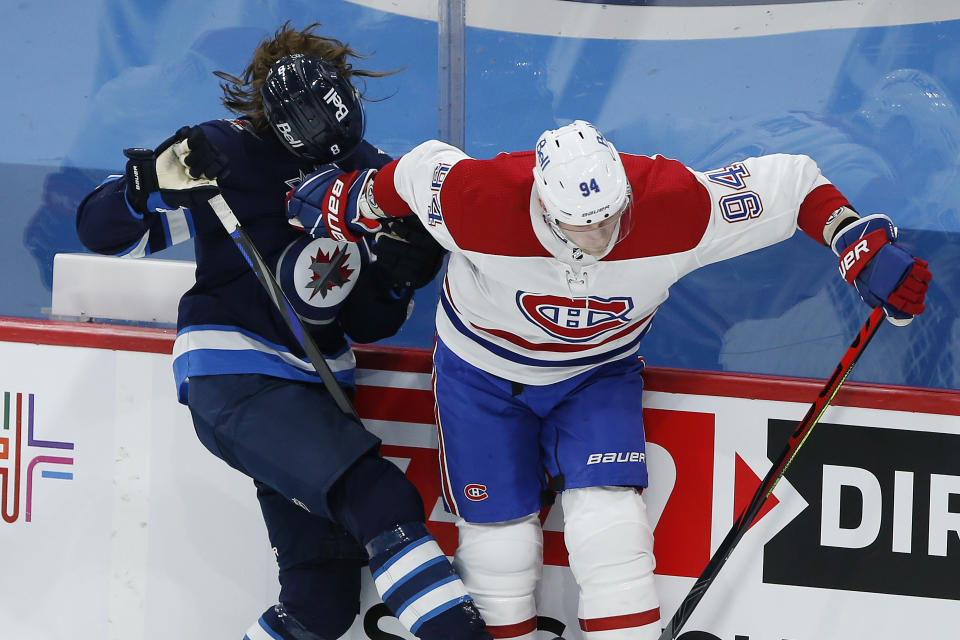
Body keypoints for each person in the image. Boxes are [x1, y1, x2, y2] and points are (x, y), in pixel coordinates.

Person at [281, 119, 932, 639]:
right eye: (578, 222)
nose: (597, 235)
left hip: (596, 373)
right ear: (541, 199)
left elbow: (792, 183)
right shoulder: (479, 198)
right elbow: (414, 174)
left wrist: (854, 240)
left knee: (610, 526)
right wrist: (346, 201)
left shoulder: (675, 204)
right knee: (500, 548)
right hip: (482, 376)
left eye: (609, 215)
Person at [75, 23, 492, 640]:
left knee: (321, 601)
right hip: (237, 380)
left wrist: (400, 276)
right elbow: (101, 232)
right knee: (379, 500)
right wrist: (144, 184)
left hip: (319, 391)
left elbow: (368, 318)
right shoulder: (220, 153)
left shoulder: (367, 175)